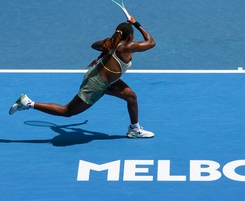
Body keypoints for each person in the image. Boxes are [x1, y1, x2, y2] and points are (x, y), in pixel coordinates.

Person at [9, 18, 156, 138]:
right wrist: (137, 24)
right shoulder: (128, 46)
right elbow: (151, 42)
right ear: (130, 36)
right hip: (95, 85)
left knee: (131, 97)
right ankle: (28, 103)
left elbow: (94, 45)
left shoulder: (110, 43)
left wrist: (109, 43)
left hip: (101, 78)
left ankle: (134, 129)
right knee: (67, 111)